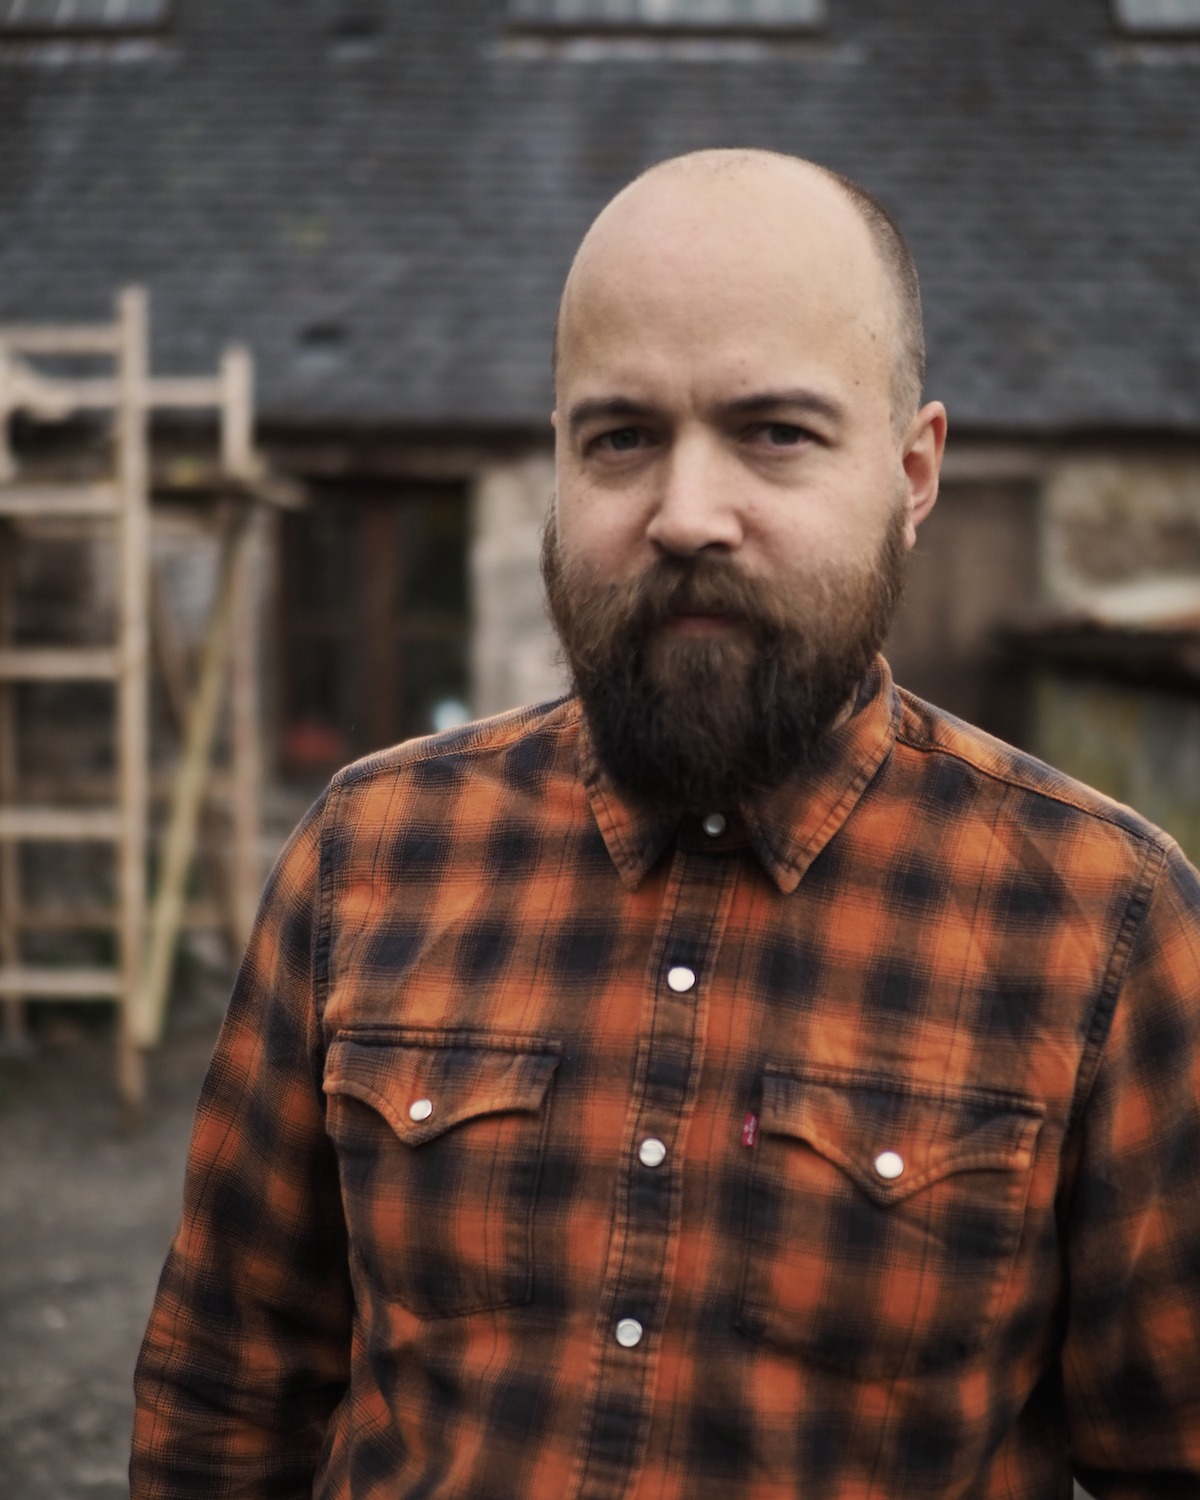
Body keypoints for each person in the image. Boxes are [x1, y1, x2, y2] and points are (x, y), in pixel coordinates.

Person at [131, 150, 1200, 1498]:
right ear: (563, 464)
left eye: (775, 433)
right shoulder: (368, 856)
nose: (687, 516)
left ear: (915, 474)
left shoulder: (1105, 923)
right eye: (622, 438)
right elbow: (225, 1399)